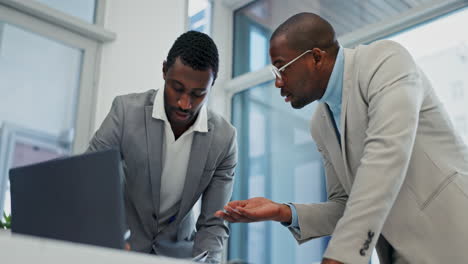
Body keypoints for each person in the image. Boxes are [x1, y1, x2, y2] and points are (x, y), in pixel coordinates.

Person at [215, 12, 468, 264]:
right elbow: (344, 205)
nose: (278, 82)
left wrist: (340, 257)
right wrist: (284, 212)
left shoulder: (386, 62)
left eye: (282, 68)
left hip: (455, 238)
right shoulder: (321, 124)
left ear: (315, 57)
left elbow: (386, 159)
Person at [88, 31, 237, 263]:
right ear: (164, 70)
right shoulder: (126, 112)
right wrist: (106, 236)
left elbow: (213, 222)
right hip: (120, 250)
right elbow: (90, 179)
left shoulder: (224, 139)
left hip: (177, 256)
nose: (185, 103)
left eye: (198, 94)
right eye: (177, 88)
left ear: (212, 85)